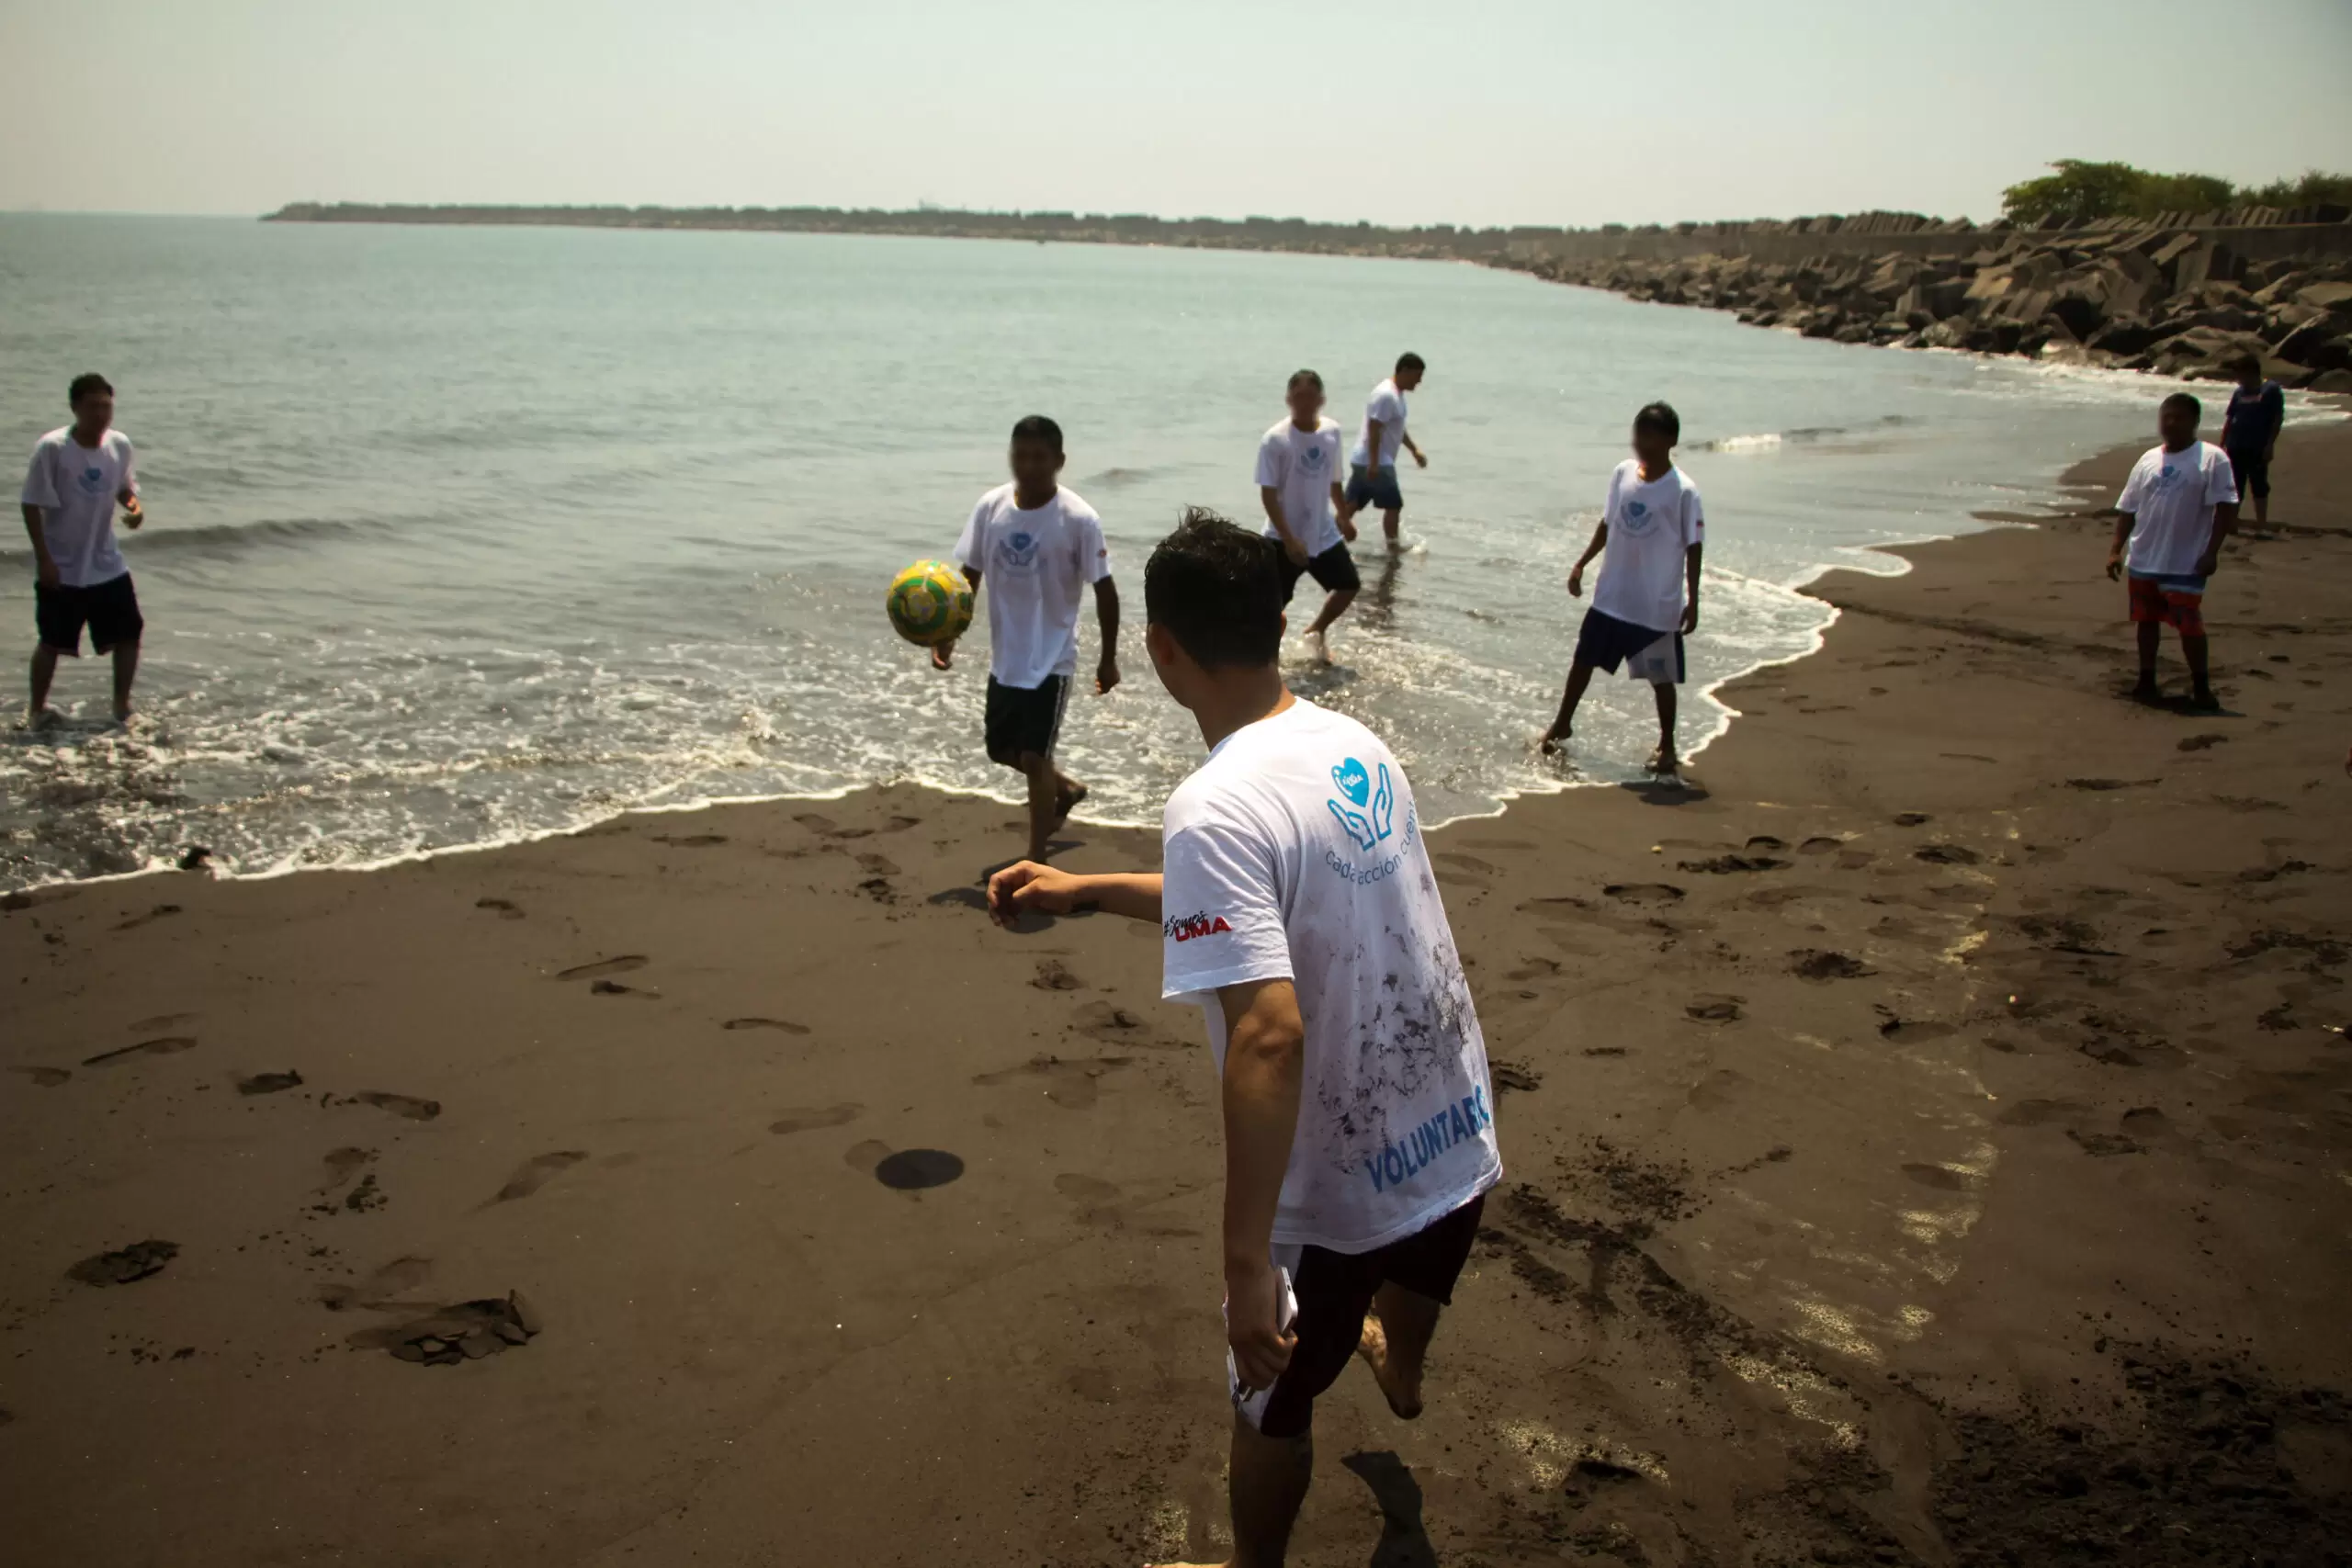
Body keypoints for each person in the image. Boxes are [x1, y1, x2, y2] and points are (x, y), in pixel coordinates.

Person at [987, 510, 1501, 1568]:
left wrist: (1244, 1269)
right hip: (1452, 1130)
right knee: (1417, 1265)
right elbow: (1267, 896)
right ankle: (1399, 1373)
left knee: (1268, 1401)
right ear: (1277, 619)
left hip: (1338, 1192)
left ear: (1158, 648)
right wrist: (1088, 892)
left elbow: (1268, 1035)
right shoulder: (1353, 743)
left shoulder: (1215, 803)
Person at [933, 415, 1120, 860]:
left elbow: (1105, 590)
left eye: (1039, 457)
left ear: (1059, 461)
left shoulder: (1079, 518)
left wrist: (1107, 659)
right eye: (1020, 455)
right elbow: (970, 575)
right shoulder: (991, 507)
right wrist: (948, 633)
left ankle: (1036, 858)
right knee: (1000, 750)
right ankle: (1066, 789)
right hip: (1008, 656)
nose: (1029, 466)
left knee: (1035, 757)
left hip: (1053, 658)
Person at [1541, 402, 1704, 776]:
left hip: (1654, 606)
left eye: (1650, 435)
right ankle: (1562, 722)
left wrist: (1693, 600)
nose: (1641, 443)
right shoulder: (1622, 473)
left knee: (1661, 678)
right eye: (1638, 433)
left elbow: (1694, 547)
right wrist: (1582, 563)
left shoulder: (1683, 491)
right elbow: (1607, 523)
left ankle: (1668, 744)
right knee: (1583, 661)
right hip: (1612, 597)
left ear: (1670, 440)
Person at [20, 372, 145, 725]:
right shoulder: (53, 449)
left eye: (106, 406)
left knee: (129, 634)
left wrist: (135, 509)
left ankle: (121, 707)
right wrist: (44, 560)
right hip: (63, 564)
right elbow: (31, 504)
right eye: (92, 407)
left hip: (107, 562)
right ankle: (37, 710)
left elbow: (124, 489)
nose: (100, 414)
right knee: (51, 642)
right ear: (75, 408)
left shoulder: (118, 445)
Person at [2107, 391, 2239, 711]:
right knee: (2145, 622)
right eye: (2166, 416)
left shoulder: (2212, 458)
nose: (2170, 422)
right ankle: (2146, 679)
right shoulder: (2148, 459)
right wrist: (2115, 550)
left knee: (2189, 625)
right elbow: (2128, 508)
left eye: (2178, 417)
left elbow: (2225, 508)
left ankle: (2201, 685)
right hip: (2144, 557)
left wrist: (2212, 551)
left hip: (2186, 561)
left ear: (2195, 421)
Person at [1255, 370, 1359, 664]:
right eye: (1298, 396)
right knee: (1270, 607)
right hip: (1282, 537)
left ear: (1321, 400)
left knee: (1349, 585)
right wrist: (1289, 539)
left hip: (1321, 533)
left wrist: (1344, 516)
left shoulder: (1331, 432)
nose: (1304, 402)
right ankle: (1263, 661)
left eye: (1310, 396)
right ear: (1288, 399)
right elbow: (1268, 495)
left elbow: (1334, 480)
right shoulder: (1275, 440)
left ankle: (1316, 629)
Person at [1344, 354, 1429, 549]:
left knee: (1351, 505)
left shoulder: (1395, 395)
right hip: (1377, 462)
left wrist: (1414, 450)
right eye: (1417, 375)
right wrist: (1374, 463)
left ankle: (1324, 539)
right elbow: (1375, 427)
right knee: (1393, 505)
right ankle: (1393, 547)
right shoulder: (1386, 395)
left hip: (1365, 460)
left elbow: (1396, 428)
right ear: (1404, 370)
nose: (1419, 381)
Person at [2219, 356, 2284, 529]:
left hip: (2257, 445)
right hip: (2235, 445)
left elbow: (2277, 419)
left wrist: (2270, 445)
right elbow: (2230, 418)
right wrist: (2222, 443)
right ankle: (2232, 522)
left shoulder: (2270, 390)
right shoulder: (2239, 392)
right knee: (2235, 486)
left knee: (2259, 485)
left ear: (2251, 372)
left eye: (2240, 374)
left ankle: (2262, 522)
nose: (2238, 379)